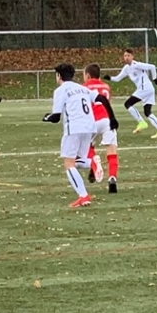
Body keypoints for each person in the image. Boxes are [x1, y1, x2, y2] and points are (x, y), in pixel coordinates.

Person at [43, 62, 98, 208]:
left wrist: (46, 117)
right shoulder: (83, 88)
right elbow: (99, 98)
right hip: (89, 127)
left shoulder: (61, 90)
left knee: (69, 164)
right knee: (78, 160)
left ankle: (83, 196)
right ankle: (92, 162)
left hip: (74, 128)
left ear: (59, 76)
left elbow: (56, 117)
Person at [83, 63, 121, 193]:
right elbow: (107, 103)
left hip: (92, 121)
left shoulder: (84, 87)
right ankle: (112, 177)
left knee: (88, 147)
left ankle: (95, 164)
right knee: (112, 150)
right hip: (107, 120)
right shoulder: (106, 87)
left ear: (88, 75)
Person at [112, 50, 157, 137]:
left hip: (145, 89)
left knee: (128, 104)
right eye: (125, 56)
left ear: (132, 56)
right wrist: (108, 78)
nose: (126, 58)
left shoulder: (137, 65)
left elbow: (152, 67)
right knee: (147, 112)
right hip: (148, 89)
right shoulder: (127, 68)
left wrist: (155, 79)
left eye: (128, 55)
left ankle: (141, 122)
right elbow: (117, 79)